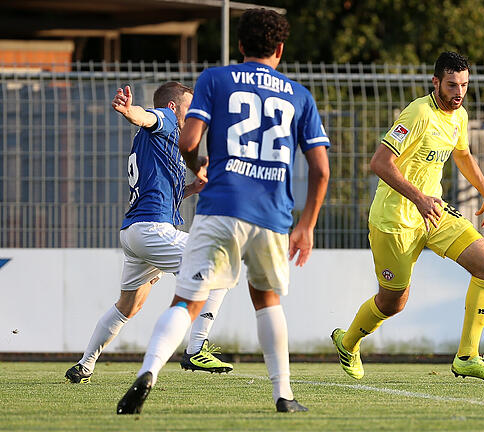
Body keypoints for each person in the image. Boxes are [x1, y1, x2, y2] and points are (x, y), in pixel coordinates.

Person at [116, 8, 330, 415]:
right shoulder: (298, 95)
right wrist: (307, 225)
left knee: (186, 301)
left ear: (241, 46)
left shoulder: (215, 79)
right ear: (280, 49)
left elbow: (188, 139)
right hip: (271, 212)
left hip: (220, 208)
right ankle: (283, 395)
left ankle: (148, 372)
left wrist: (199, 165)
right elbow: (321, 170)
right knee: (267, 301)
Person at [331, 52, 484, 382]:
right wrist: (419, 198)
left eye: (464, 85)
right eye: (452, 85)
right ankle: (348, 342)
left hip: (433, 214)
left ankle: (466, 355)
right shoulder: (417, 113)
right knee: (393, 302)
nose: (459, 92)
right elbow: (379, 162)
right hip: (394, 221)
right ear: (435, 82)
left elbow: (462, 153)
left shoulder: (459, 115)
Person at [65, 82, 233, 385]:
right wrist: (131, 112)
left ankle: (84, 365)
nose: (192, 114)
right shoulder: (166, 121)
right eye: (188, 108)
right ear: (173, 108)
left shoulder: (161, 145)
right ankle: (196, 348)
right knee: (220, 264)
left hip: (135, 233)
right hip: (151, 230)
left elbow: (161, 193)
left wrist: (192, 188)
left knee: (128, 305)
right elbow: (146, 116)